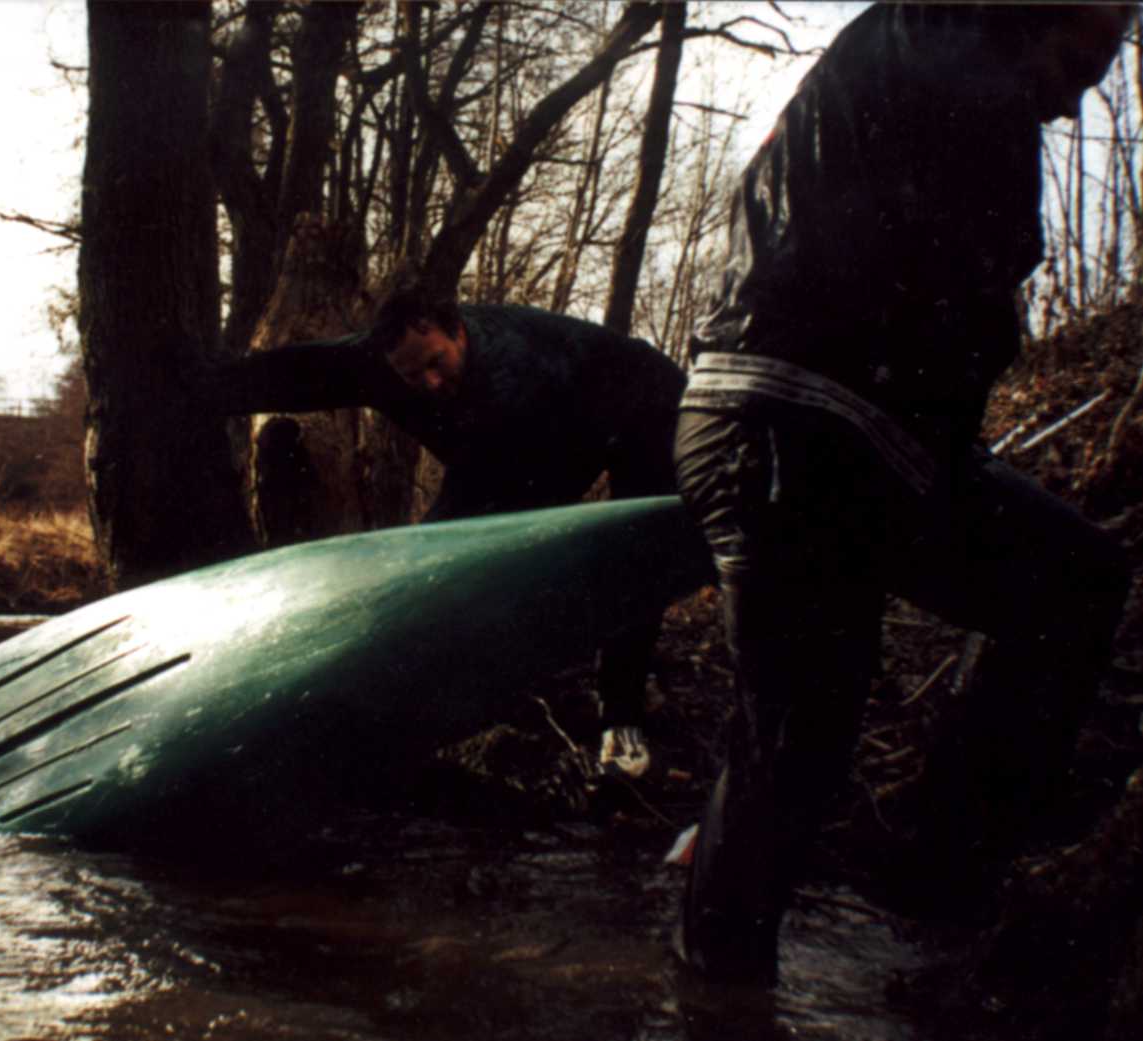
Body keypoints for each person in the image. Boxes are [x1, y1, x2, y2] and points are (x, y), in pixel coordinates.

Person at [671, 2, 1134, 985]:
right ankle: (719, 994)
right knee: (790, 741)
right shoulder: (949, 39)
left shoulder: (938, 65)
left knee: (1072, 578)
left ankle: (932, 867)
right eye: (1075, 62)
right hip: (793, 428)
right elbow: (975, 280)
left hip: (850, 444)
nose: (1072, 100)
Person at [207, 282, 701, 778]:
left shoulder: (515, 371)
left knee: (632, 559)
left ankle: (622, 719)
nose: (428, 382)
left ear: (458, 333)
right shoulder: (384, 358)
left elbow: (527, 501)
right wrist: (205, 391)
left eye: (436, 364)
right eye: (411, 374)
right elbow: (302, 372)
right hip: (522, 439)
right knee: (439, 555)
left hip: (644, 409)